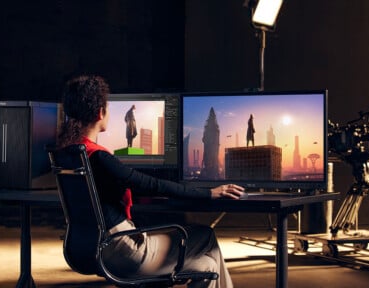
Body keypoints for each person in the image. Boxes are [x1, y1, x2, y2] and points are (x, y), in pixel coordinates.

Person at [58, 75, 245, 288]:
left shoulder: (66, 155)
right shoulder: (100, 158)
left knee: (207, 265)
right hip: (121, 250)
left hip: (85, 249)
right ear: (101, 112)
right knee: (205, 236)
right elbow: (153, 185)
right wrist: (210, 193)